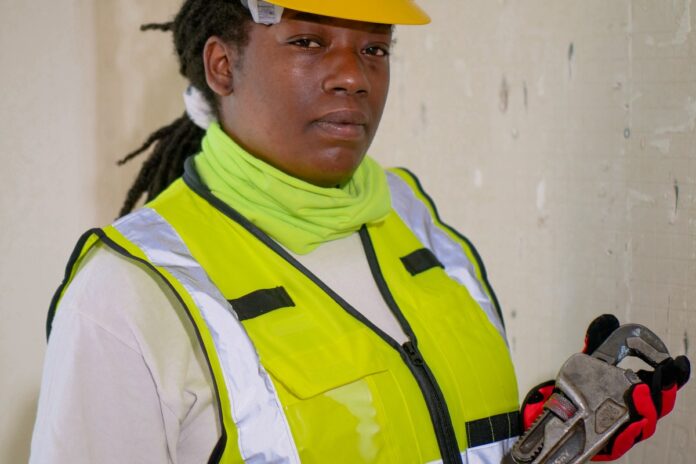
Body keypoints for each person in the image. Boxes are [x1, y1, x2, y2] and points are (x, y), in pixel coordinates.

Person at [30, 1, 688, 463]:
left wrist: (551, 437)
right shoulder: (129, 293)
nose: (353, 75)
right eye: (308, 41)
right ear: (222, 65)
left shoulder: (415, 220)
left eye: (375, 48)